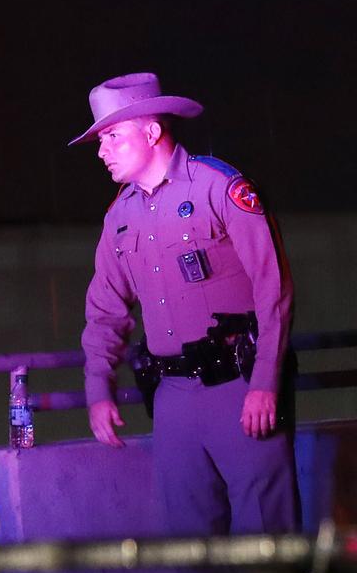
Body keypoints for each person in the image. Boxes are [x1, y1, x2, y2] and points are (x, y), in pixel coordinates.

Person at [71, 72, 299, 536]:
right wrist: (98, 389)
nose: (102, 151)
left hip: (239, 384)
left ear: (151, 131)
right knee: (189, 540)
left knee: (266, 536)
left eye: (113, 136)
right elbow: (105, 310)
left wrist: (265, 381)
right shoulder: (120, 217)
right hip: (173, 395)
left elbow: (272, 288)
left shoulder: (219, 188)